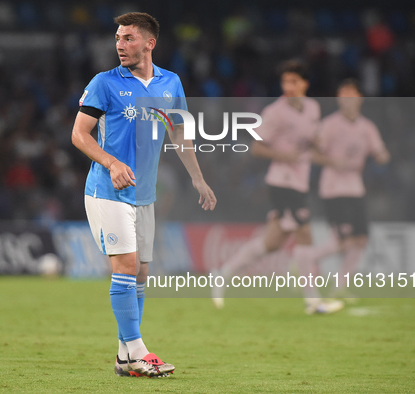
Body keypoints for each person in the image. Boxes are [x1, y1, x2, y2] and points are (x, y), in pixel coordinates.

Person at [72, 12, 216, 377]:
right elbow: (79, 134)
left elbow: (179, 135)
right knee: (124, 268)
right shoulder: (105, 83)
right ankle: (138, 351)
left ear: (150, 43)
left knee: (141, 274)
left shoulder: (171, 83)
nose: (120, 44)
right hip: (108, 191)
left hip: (145, 196)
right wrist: (111, 163)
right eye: (118, 38)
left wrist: (198, 179)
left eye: (129, 38)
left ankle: (124, 358)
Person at [212, 60, 343, 314]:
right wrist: (286, 157)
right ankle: (313, 301)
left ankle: (222, 273)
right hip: (282, 182)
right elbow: (256, 147)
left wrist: (319, 145)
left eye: (293, 81)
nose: (288, 86)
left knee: (272, 242)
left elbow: (312, 141)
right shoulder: (275, 112)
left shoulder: (313, 108)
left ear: (305, 83)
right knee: (305, 233)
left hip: (299, 182)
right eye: (285, 81)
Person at [312, 78, 390, 298]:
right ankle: (308, 258)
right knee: (342, 241)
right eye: (342, 97)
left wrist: (383, 156)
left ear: (359, 99)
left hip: (355, 188)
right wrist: (332, 162)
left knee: (361, 240)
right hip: (333, 188)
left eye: (350, 96)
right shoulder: (329, 125)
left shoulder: (367, 127)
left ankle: (340, 287)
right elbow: (313, 154)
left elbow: (380, 151)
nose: (346, 101)